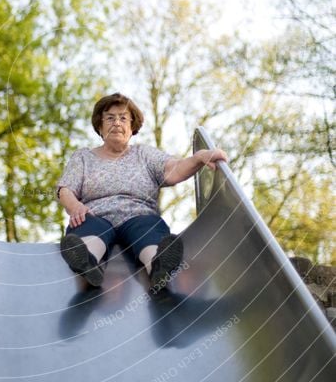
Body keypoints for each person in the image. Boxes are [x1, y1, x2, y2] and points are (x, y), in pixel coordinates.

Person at [56, 92, 227, 294]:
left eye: (123, 118)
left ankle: (158, 266)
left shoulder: (144, 154)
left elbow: (174, 170)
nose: (117, 123)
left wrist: (199, 157)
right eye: (110, 118)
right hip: (96, 214)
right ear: (100, 126)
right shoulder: (83, 157)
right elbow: (65, 189)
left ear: (132, 127)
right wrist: (75, 206)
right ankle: (87, 262)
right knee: (87, 226)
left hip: (138, 215)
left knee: (149, 228)